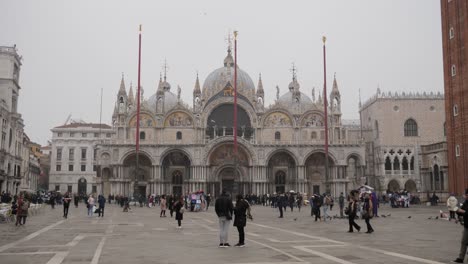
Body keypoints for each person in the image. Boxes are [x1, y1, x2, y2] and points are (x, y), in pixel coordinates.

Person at [453, 189, 468, 263]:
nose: (464, 196)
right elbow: (461, 211)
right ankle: (461, 258)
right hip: (467, 226)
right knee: (463, 242)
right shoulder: (466, 202)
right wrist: (458, 211)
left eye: (465, 194)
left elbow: (465, 212)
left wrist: (464, 212)